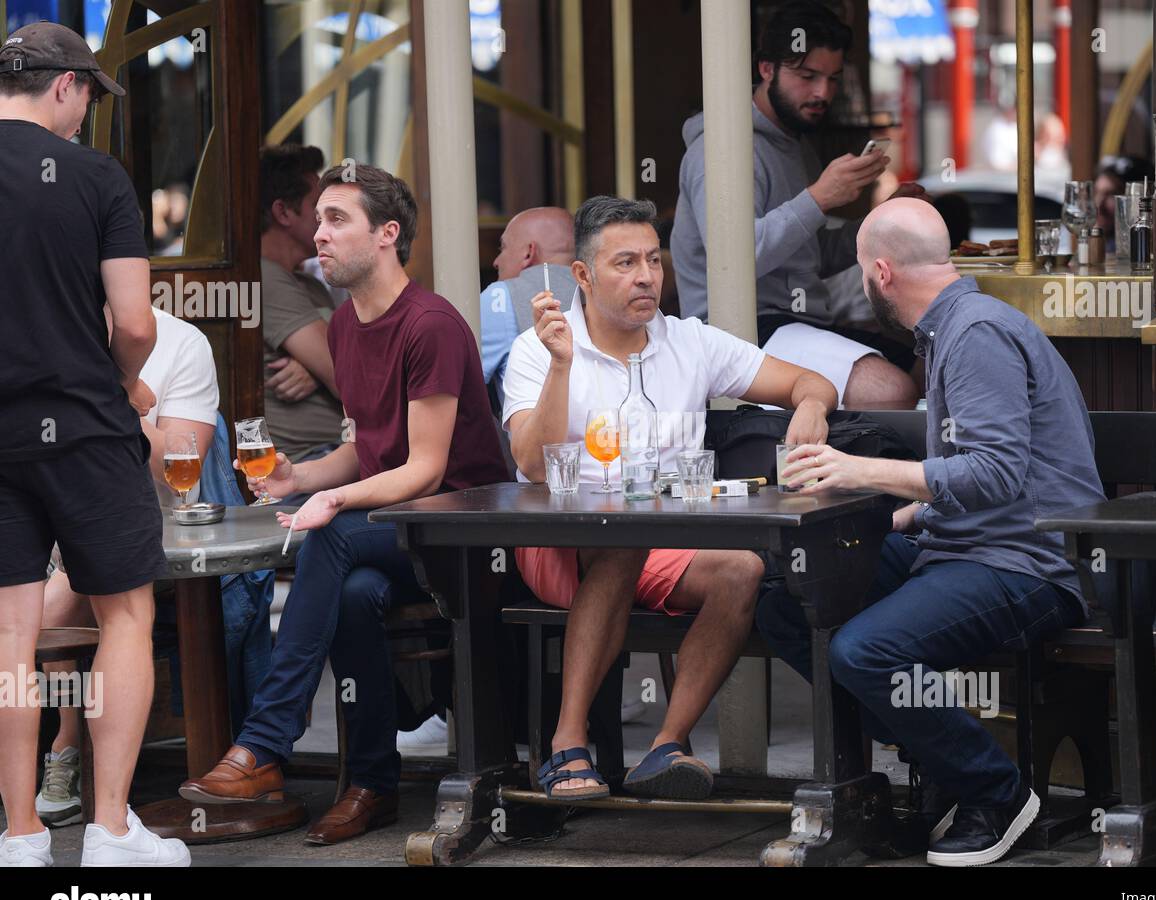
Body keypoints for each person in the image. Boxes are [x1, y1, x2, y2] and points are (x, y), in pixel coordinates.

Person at [756, 198, 1106, 867]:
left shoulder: (974, 333)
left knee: (863, 651)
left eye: (861, 269)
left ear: (881, 272)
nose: (863, 281)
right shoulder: (954, 329)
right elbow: (974, 475)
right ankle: (939, 761)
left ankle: (995, 791)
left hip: (1028, 564)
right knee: (787, 604)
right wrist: (898, 516)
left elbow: (996, 475)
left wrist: (858, 468)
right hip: (966, 547)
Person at [178, 164, 509, 845]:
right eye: (318, 219)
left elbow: (425, 469)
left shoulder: (431, 325)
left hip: (469, 528)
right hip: (399, 532)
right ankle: (371, 785)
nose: (317, 237)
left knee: (332, 540)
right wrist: (299, 477)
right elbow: (368, 449)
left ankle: (265, 742)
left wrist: (332, 500)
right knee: (354, 592)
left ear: (387, 235)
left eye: (337, 221)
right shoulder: (346, 328)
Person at [503, 196, 838, 801]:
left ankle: (665, 747)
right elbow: (530, 463)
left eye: (653, 261)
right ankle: (566, 745)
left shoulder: (690, 342)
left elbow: (807, 381)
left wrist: (810, 404)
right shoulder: (540, 346)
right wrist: (560, 367)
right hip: (556, 539)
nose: (646, 277)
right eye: (625, 263)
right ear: (582, 275)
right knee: (621, 539)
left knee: (741, 568)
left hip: (660, 537)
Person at [0, 20, 189, 867]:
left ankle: (21, 835)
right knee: (125, 615)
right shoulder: (95, 176)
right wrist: (115, 378)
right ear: (67, 87)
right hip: (84, 425)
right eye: (87, 100)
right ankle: (111, 832)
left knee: (9, 636)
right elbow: (140, 325)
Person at [672, 0, 919, 410]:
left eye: (833, 78)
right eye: (807, 76)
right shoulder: (719, 148)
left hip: (799, 322)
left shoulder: (793, 142)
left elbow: (810, 255)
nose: (822, 92)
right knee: (891, 391)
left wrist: (883, 220)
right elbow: (732, 260)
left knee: (931, 366)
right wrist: (818, 198)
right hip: (739, 330)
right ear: (766, 69)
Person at [37, 306, 219, 828]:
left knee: (57, 603)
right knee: (44, 598)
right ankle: (69, 752)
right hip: (56, 531)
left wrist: (109, 400)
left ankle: (69, 748)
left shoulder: (181, 341)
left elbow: (182, 465)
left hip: (156, 532)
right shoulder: (46, 330)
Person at [259, 144, 346, 464]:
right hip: (306, 465)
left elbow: (344, 367)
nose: (327, 218)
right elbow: (347, 378)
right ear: (283, 212)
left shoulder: (310, 283)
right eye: (317, 206)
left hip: (338, 456)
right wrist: (325, 367)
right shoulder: (264, 279)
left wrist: (315, 367)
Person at [480, 207, 578, 405]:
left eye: (503, 248)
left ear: (528, 253)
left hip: (533, 430)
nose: (496, 261)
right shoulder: (602, 292)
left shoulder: (500, 297)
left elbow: (458, 383)